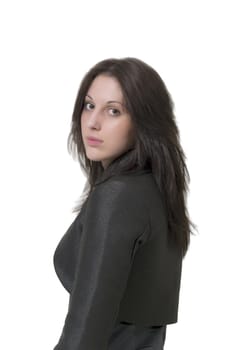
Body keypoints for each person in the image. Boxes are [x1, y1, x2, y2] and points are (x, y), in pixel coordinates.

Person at [52, 57, 197, 350]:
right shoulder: (157, 190)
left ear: (144, 122)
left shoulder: (116, 196)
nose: (93, 122)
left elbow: (86, 328)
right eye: (89, 105)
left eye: (114, 111)